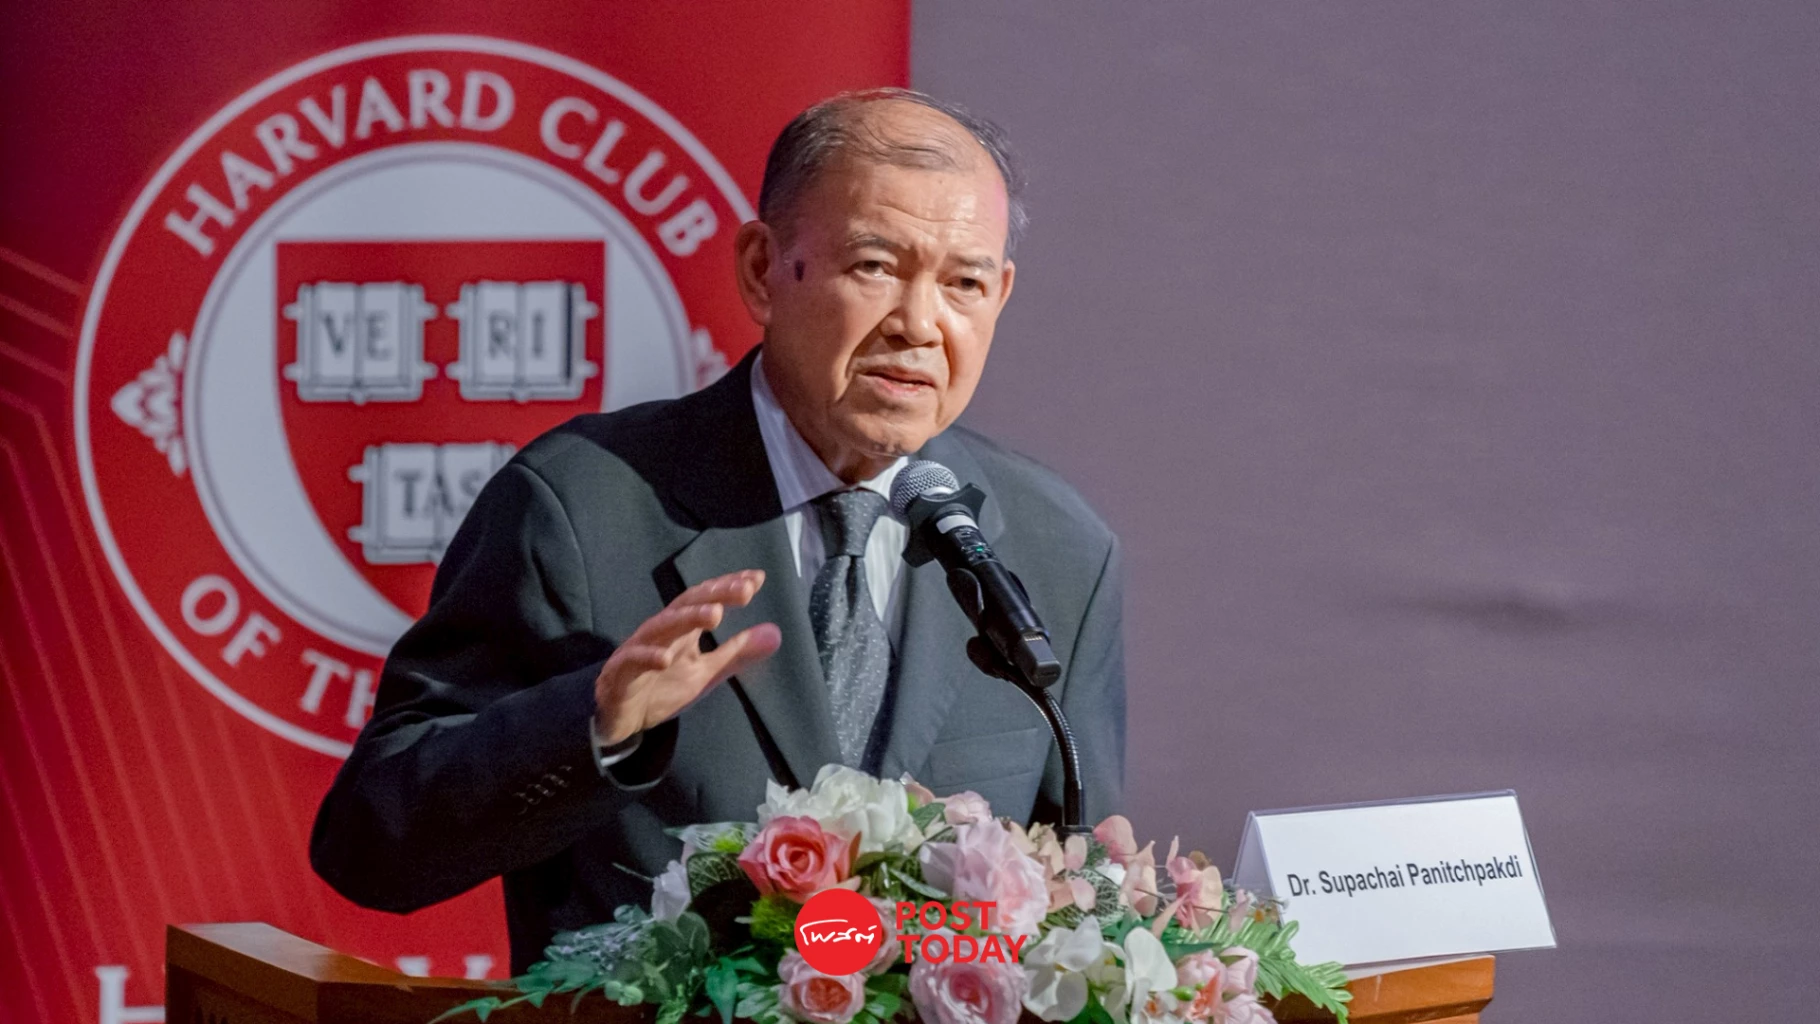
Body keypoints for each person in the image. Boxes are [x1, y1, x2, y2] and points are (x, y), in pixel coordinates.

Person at [310, 89, 1126, 972]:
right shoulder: (581, 507)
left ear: (1000, 294)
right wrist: (595, 724)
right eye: (875, 266)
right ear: (761, 270)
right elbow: (371, 844)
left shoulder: (1056, 551)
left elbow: (1075, 901)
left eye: (964, 283)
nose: (919, 325)